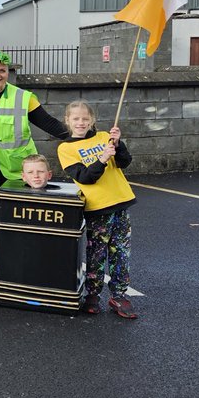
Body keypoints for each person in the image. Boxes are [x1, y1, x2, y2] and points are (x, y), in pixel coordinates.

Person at [0, 49, 68, 287]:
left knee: (25, 222)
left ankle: (28, 269)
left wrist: (86, 137)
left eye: (2, 71)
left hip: (21, 171)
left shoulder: (24, 97)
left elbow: (50, 124)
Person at [56, 101, 138, 319]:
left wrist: (118, 145)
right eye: (76, 119)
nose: (81, 122)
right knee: (96, 255)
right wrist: (102, 158)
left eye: (85, 118)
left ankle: (119, 295)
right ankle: (92, 294)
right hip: (97, 209)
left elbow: (124, 162)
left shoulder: (104, 136)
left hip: (120, 202)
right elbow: (84, 177)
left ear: (91, 120)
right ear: (68, 121)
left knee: (121, 252)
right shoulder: (66, 148)